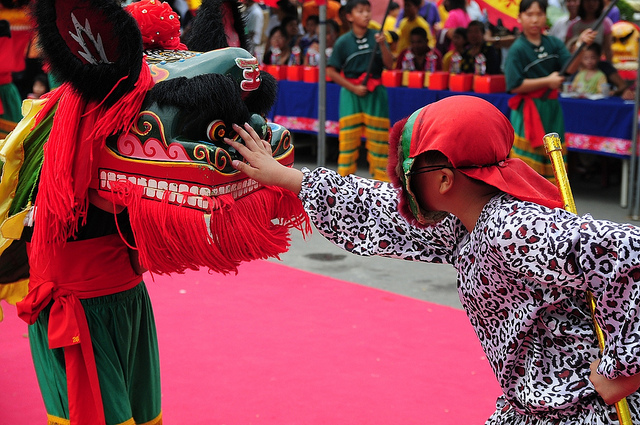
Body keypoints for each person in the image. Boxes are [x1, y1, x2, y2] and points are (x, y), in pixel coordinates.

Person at [225, 94, 640, 424]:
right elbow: (381, 212)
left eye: (410, 173)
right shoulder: (467, 218)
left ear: (443, 179)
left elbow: (631, 254)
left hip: (580, 412)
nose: (402, 185)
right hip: (535, 407)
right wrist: (289, 178)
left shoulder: (510, 227)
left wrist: (623, 367)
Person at [504, 0, 595, 182]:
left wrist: (580, 47)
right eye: (529, 15)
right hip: (528, 111)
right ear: (520, 17)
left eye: (539, 14)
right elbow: (514, 85)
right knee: (526, 166)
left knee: (555, 158)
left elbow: (568, 69)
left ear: (546, 16)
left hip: (552, 108)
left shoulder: (553, 43)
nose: (535, 20)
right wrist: (548, 81)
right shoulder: (517, 49)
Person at [325, 0, 394, 181]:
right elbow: (330, 71)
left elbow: (390, 64)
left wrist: (383, 45)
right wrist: (353, 87)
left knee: (379, 144)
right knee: (348, 142)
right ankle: (343, 185)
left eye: (367, 11)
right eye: (360, 11)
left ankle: (382, 185)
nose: (366, 15)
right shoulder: (343, 42)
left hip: (375, 92)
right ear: (349, 16)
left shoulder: (377, 36)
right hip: (351, 94)